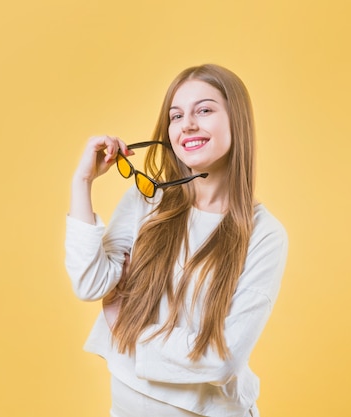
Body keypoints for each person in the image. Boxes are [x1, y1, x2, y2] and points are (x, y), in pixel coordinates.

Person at [65, 64, 288, 417]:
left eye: (205, 110)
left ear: (237, 121)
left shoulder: (264, 235)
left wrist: (127, 328)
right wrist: (83, 182)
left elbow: (221, 360)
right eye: (176, 115)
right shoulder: (146, 201)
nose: (187, 124)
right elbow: (90, 283)